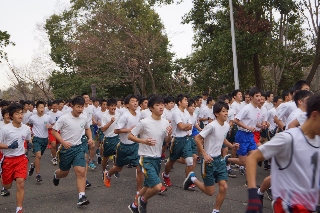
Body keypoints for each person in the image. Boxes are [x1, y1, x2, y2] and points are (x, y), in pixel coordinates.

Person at [245, 92, 320, 213]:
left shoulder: (317, 142)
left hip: (309, 206)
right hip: (288, 206)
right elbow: (252, 158)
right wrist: (253, 195)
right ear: (315, 116)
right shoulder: (288, 138)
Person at [183, 101, 239, 213]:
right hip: (208, 161)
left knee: (224, 187)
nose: (226, 113)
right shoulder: (211, 126)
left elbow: (222, 138)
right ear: (217, 113)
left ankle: (215, 210)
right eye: (223, 111)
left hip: (219, 160)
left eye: (227, 111)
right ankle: (192, 178)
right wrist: (204, 154)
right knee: (210, 192)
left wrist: (231, 145)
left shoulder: (226, 125)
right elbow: (198, 138)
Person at [127, 95, 172, 213]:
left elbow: (166, 141)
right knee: (157, 187)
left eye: (162, 104)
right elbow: (130, 135)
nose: (161, 107)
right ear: (151, 108)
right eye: (157, 105)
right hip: (145, 158)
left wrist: (169, 136)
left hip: (157, 159)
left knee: (147, 185)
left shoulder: (165, 122)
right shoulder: (144, 122)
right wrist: (144, 141)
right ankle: (143, 200)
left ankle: (134, 204)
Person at [103, 94, 143, 212]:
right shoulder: (125, 116)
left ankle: (138, 193)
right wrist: (130, 130)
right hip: (124, 147)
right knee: (118, 168)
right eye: (132, 101)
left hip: (135, 146)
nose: (135, 103)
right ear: (126, 104)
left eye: (136, 101)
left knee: (139, 168)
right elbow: (116, 130)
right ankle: (108, 175)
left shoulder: (139, 114)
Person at [51, 96, 93, 206]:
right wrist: (63, 142)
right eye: (78, 107)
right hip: (66, 149)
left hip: (79, 147)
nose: (80, 109)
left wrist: (90, 138)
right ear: (72, 106)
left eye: (82, 107)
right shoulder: (64, 118)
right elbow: (54, 131)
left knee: (81, 171)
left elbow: (87, 128)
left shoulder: (84, 117)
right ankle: (56, 175)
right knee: (64, 173)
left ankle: (81, 196)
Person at [0, 103, 31, 213]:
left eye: (21, 113)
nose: (20, 115)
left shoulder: (26, 128)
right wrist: (9, 146)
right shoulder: (5, 129)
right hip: (8, 159)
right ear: (11, 116)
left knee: (21, 182)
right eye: (17, 113)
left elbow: (27, 139)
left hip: (21, 159)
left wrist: (29, 143)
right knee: (7, 185)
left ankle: (19, 208)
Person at [225, 88, 261, 176]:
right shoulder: (246, 108)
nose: (259, 98)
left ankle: (249, 182)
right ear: (251, 97)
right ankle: (226, 160)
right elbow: (236, 120)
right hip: (242, 135)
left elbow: (252, 121)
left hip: (250, 135)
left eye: (260, 96)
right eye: (257, 96)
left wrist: (260, 125)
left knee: (253, 158)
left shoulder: (257, 109)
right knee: (243, 162)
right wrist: (248, 127)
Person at [162, 94, 193, 187]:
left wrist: (185, 126)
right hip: (176, 140)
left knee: (190, 161)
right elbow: (181, 126)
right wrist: (186, 126)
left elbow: (190, 126)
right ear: (179, 102)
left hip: (186, 138)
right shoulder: (176, 112)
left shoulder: (186, 112)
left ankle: (188, 180)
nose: (187, 102)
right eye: (185, 100)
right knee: (172, 161)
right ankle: (166, 175)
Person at [27, 101, 55, 182]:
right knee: (38, 156)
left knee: (38, 157)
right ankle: (38, 174)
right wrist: (29, 132)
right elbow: (28, 124)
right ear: (37, 108)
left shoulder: (47, 117)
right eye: (40, 107)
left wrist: (50, 126)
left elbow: (55, 124)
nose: (42, 109)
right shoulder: (32, 117)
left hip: (45, 139)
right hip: (36, 139)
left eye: (43, 107)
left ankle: (32, 166)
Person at [100, 98, 120, 173]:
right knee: (106, 158)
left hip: (117, 138)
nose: (113, 107)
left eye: (114, 106)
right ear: (107, 107)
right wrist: (110, 122)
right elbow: (103, 129)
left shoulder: (118, 114)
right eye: (111, 106)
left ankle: (115, 170)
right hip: (108, 139)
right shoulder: (105, 116)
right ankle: (103, 170)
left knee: (117, 155)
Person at [47, 100, 63, 165]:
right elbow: (47, 124)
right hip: (52, 130)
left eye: (56, 106)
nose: (55, 107)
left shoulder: (61, 113)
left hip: (59, 130)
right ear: (51, 107)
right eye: (53, 106)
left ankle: (56, 154)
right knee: (53, 144)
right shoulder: (48, 114)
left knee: (57, 145)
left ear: (58, 106)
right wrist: (51, 126)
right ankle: (54, 158)